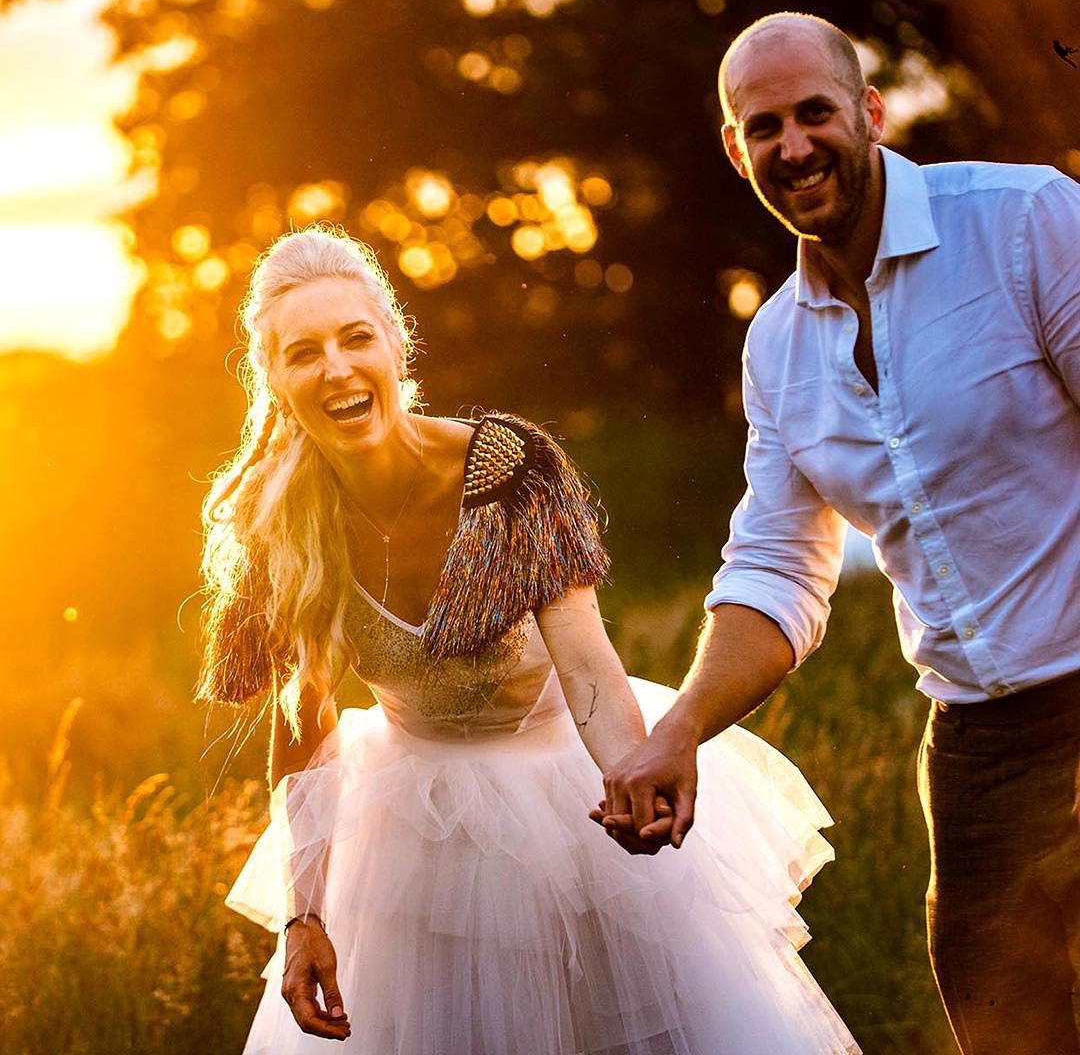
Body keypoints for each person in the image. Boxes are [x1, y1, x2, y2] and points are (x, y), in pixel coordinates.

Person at [197, 224, 859, 1053]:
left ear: (397, 346)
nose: (336, 367)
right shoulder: (286, 520)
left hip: (563, 803)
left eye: (356, 337)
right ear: (276, 381)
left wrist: (633, 773)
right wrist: (303, 915)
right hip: (407, 839)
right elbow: (305, 723)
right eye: (304, 352)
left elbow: (586, 664)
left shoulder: (506, 471)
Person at [599, 11, 1080, 1055]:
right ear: (737, 150)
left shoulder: (1027, 220)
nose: (795, 146)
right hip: (976, 756)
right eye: (763, 127)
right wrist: (677, 732)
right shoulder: (776, 347)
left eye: (815, 113)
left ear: (867, 112)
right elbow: (777, 569)